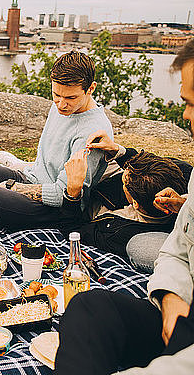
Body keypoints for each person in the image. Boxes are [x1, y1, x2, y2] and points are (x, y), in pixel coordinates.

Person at [55, 38, 194, 375]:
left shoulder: (125, 235)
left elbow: (72, 231)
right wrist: (170, 294)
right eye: (186, 102)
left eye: (193, 104)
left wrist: (73, 192)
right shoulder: (187, 178)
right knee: (89, 307)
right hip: (180, 306)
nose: (186, 114)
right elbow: (178, 250)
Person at [0, 50, 113, 231]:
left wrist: (15, 189)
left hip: (54, 209)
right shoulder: (62, 106)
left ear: (91, 89)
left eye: (70, 98)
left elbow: (64, 194)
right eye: (56, 95)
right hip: (31, 178)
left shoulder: (93, 132)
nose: (61, 104)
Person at [61, 138, 188, 272]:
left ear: (135, 203)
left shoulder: (118, 233)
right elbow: (147, 168)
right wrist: (118, 151)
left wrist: (73, 192)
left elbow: (73, 232)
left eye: (124, 183)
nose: (123, 176)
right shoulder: (182, 173)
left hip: (86, 207)